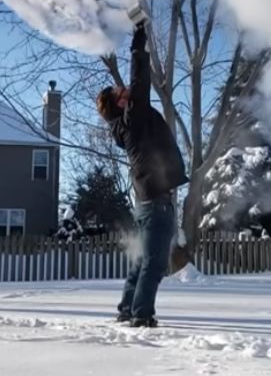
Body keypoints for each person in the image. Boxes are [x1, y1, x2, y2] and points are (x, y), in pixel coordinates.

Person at [96, 19, 189, 328]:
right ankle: (141, 314)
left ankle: (127, 307)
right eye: (122, 92)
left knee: (141, 259)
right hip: (155, 203)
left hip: (146, 203)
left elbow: (136, 87)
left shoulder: (127, 126)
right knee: (155, 262)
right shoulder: (132, 119)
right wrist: (138, 40)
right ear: (121, 103)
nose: (126, 91)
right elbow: (140, 81)